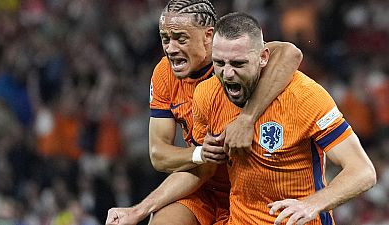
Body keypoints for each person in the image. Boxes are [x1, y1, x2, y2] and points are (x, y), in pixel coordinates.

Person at [106, 0, 303, 224]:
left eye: (181, 38)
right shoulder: (164, 73)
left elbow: (290, 53)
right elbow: (159, 154)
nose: (170, 48)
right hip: (200, 183)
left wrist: (247, 118)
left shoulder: (236, 62)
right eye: (165, 39)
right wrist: (200, 153)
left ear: (208, 36)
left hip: (253, 189)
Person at [189, 12, 376, 224]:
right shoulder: (206, 94)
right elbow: (201, 172)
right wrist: (202, 154)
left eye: (238, 63)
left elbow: (362, 171)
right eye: (219, 63)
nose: (227, 73)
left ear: (263, 57)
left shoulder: (304, 96)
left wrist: (311, 204)